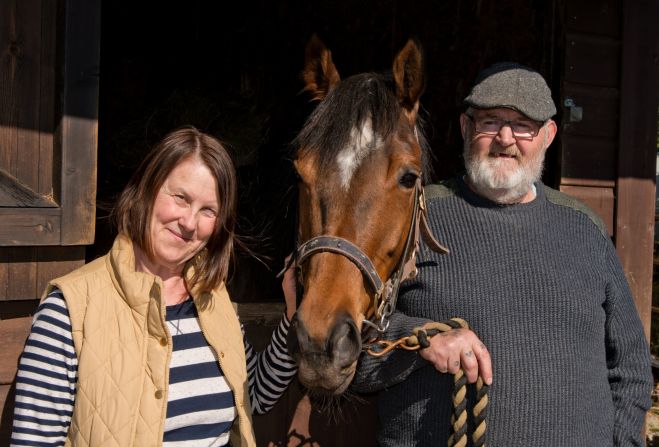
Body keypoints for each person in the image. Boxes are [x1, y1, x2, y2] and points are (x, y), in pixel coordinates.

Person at [352, 62, 653, 446]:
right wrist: (419, 339)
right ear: (465, 127)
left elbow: (631, 367)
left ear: (548, 134)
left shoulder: (585, 229)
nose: (505, 138)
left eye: (523, 125)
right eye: (490, 122)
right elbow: (350, 351)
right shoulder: (414, 218)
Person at [10, 127, 297, 446]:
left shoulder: (212, 300)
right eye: (181, 198)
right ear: (146, 189)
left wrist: (293, 316)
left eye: (208, 210)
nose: (189, 222)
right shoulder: (68, 311)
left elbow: (255, 394)